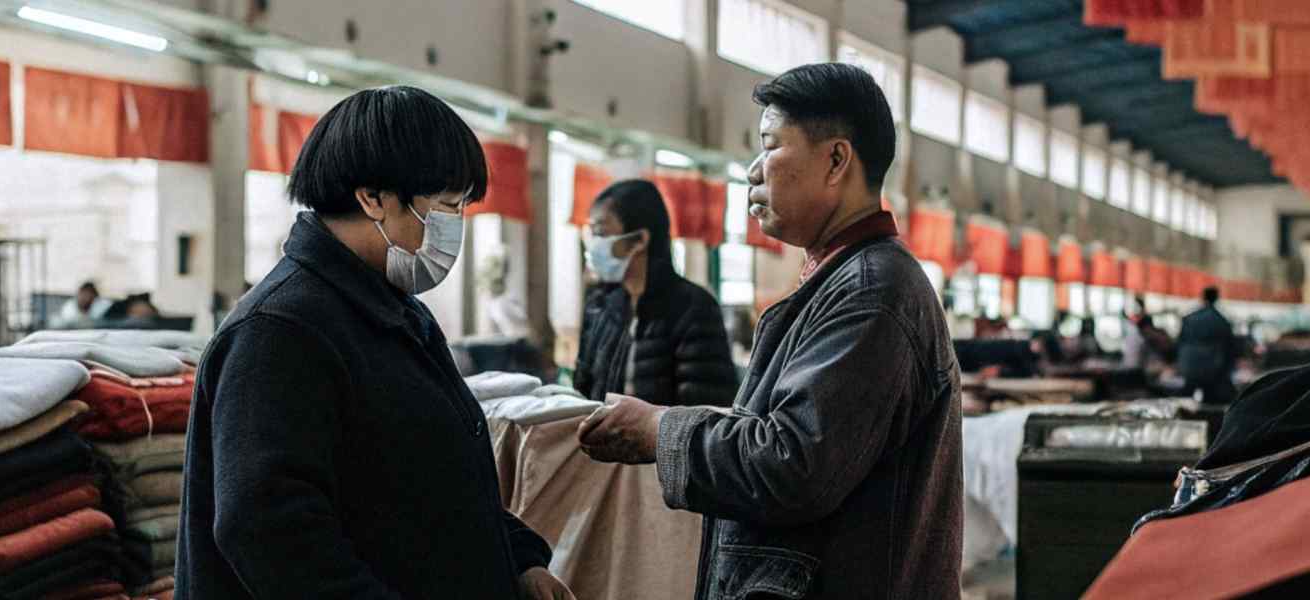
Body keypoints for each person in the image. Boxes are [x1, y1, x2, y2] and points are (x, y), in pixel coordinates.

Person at [575, 63, 962, 599]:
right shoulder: (842, 282)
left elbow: (795, 465)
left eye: (770, 145)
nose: (753, 171)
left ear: (835, 160)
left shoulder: (872, 292)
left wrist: (658, 430)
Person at [176, 86, 572, 600]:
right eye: (447, 206)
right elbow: (267, 527)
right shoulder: (280, 331)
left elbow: (435, 480)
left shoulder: (397, 313)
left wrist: (518, 561)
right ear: (373, 198)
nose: (454, 228)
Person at [573, 180, 739, 407]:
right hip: (602, 441)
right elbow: (582, 388)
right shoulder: (599, 306)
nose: (594, 245)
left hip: (661, 442)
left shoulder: (693, 308)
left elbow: (705, 408)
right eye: (592, 234)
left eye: (601, 233)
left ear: (640, 239)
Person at [1176, 286, 1239, 404]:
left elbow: (1180, 342)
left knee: (1186, 400)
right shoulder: (1221, 320)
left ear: (1203, 297)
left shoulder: (1189, 318)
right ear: (1216, 298)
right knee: (1209, 401)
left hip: (1190, 365)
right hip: (1212, 366)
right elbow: (1230, 348)